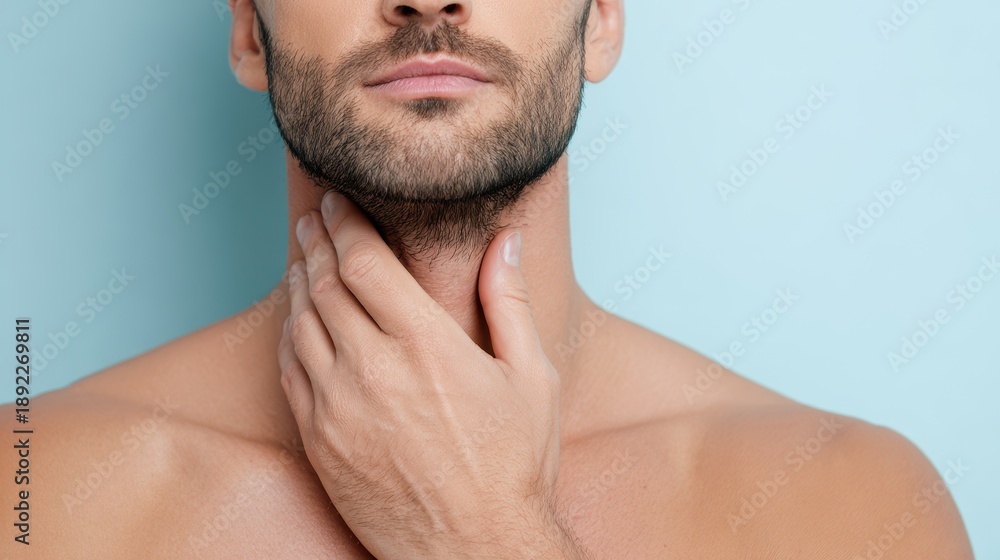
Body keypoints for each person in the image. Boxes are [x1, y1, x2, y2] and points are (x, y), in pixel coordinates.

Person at [3, 0, 974, 557]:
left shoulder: (844, 504)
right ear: (250, 32)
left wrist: (490, 535)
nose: (427, 1)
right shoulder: (33, 494)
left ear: (598, 21)